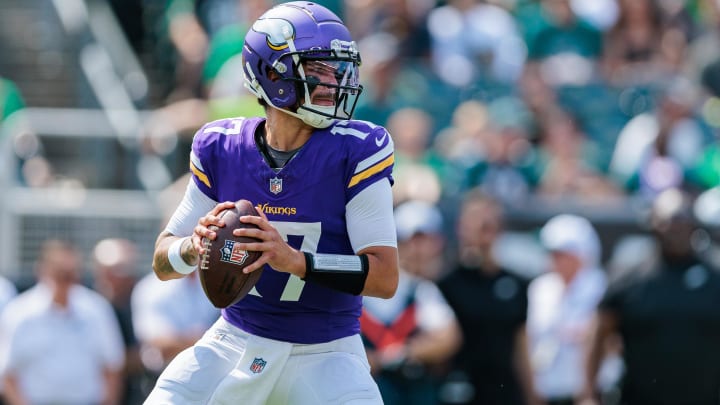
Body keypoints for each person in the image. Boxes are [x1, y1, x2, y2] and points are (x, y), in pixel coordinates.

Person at [144, 2, 399, 404]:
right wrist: (195, 246)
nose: (334, 82)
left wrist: (295, 261)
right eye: (318, 70)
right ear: (273, 74)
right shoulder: (221, 146)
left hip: (327, 351)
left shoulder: (358, 149)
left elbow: (385, 277)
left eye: (338, 69)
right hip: (235, 341)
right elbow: (161, 262)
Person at [580, 188, 720, 405]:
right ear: (653, 223)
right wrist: (588, 395)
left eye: (682, 219)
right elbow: (599, 335)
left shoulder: (715, 276)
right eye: (668, 220)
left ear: (694, 224)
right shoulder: (628, 278)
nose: (675, 227)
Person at [438, 190, 540, 405]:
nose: (485, 226)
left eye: (491, 221)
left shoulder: (516, 284)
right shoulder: (444, 283)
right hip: (458, 391)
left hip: (506, 393)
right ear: (461, 227)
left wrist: (532, 396)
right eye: (477, 219)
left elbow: (521, 347)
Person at [0, 239, 125, 405]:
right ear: (42, 271)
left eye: (71, 274)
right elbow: (7, 375)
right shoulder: (19, 312)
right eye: (60, 274)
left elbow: (112, 368)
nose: (66, 282)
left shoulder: (96, 309)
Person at [361, 200, 461, 405]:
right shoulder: (362, 285)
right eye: (412, 242)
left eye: (428, 242)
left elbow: (448, 337)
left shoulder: (421, 290)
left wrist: (397, 354)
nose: (420, 251)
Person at [527, 214, 621, 405]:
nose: (552, 259)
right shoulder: (540, 289)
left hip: (595, 396)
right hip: (548, 395)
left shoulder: (604, 288)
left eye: (559, 253)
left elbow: (615, 342)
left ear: (579, 254)